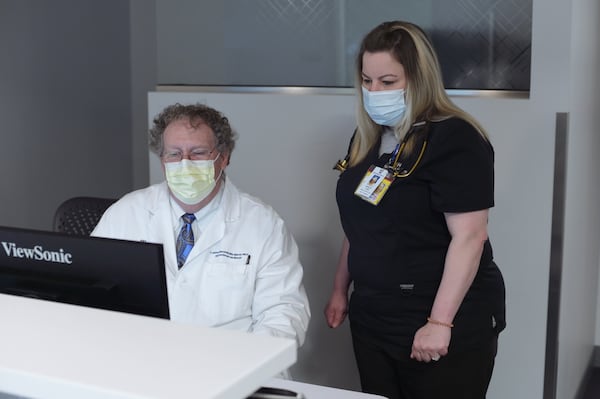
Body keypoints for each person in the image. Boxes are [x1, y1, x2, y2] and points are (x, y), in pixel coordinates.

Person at [324, 21, 506, 399]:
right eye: (367, 80)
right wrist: (341, 288)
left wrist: (440, 322)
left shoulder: (456, 137)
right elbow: (360, 223)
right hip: (374, 313)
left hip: (436, 312)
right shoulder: (369, 137)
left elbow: (470, 237)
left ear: (419, 79)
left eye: (388, 82)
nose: (374, 92)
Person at [92, 103, 310, 349]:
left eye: (197, 153)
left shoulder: (262, 224)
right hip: (140, 358)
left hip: (229, 364)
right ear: (162, 160)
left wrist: (248, 364)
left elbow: (283, 313)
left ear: (223, 157)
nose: (184, 163)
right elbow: (91, 291)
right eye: (174, 154)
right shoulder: (126, 213)